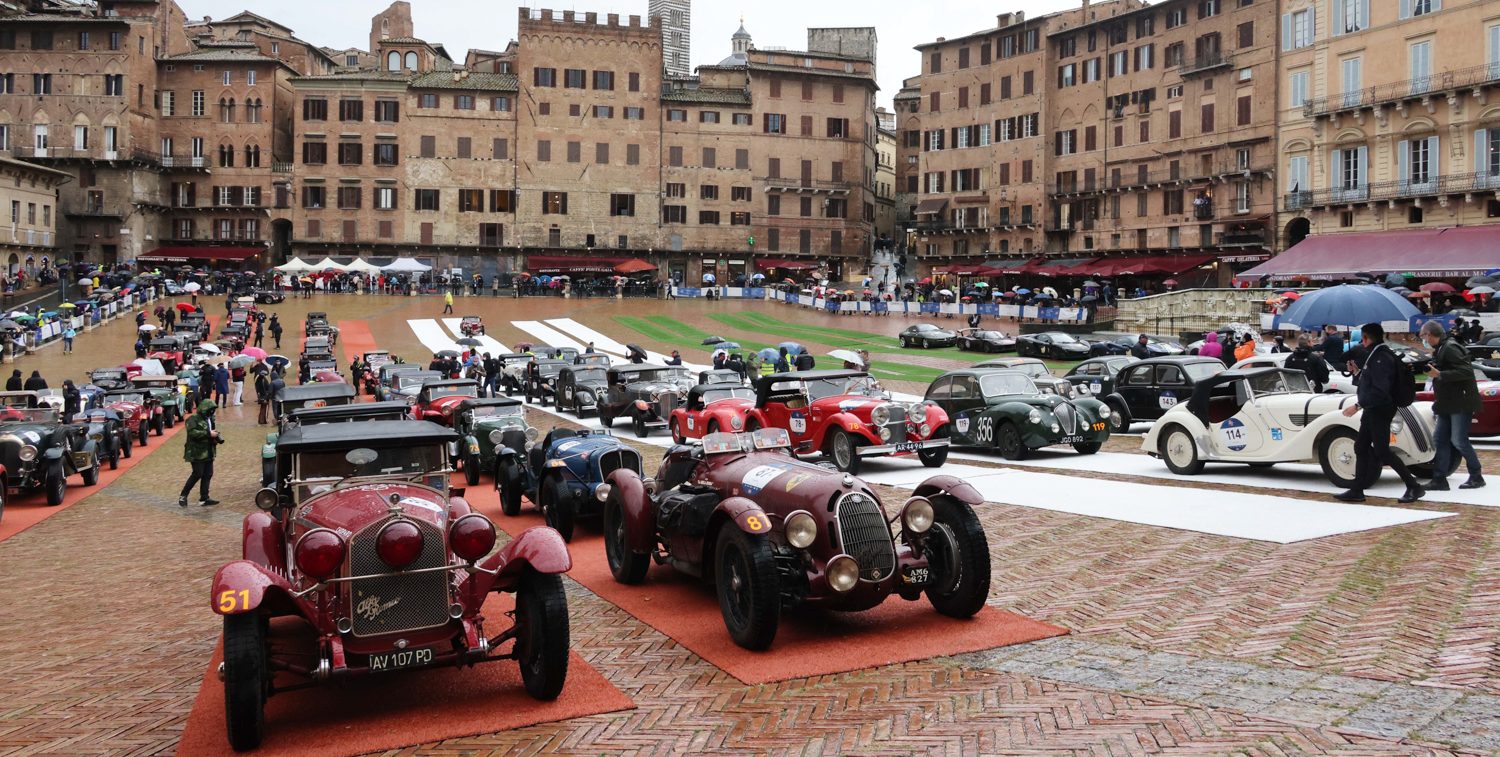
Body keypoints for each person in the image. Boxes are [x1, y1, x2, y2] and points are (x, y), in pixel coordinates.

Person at [1337, 323, 1423, 504]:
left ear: (1367, 337)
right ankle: (1357, 489)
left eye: (1362, 338)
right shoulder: (1377, 355)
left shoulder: (1381, 357)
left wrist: (1358, 405)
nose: (1362, 341)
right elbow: (1372, 382)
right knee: (1360, 447)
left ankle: (1413, 486)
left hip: (1380, 409)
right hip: (1373, 409)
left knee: (1383, 451)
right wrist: (1358, 372)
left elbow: (1380, 390)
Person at [1419, 321, 1485, 490]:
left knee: (1459, 440)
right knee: (1440, 439)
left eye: (1423, 336)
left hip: (1460, 402)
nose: (1422, 339)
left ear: (1429, 334)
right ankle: (1439, 478)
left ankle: (1476, 475)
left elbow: (1466, 371)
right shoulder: (1442, 348)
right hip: (1448, 402)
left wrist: (1440, 374)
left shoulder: (1450, 347)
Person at [178, 399, 221, 507]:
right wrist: (208, 434)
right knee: (197, 473)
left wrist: (215, 437)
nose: (211, 412)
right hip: (196, 452)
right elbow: (192, 433)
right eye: (210, 410)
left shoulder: (210, 419)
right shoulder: (192, 419)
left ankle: (204, 497)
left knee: (208, 474)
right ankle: (183, 495)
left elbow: (211, 430)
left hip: (209, 451)